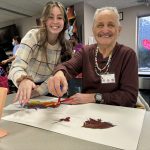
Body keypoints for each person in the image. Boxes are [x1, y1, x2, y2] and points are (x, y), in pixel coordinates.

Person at [48, 7, 138, 107]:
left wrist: (93, 97)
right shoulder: (85, 52)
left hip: (117, 113)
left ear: (119, 30)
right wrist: (59, 73)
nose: (105, 30)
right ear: (93, 30)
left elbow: (129, 97)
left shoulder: (128, 55)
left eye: (111, 25)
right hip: (87, 113)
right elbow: (67, 67)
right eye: (100, 25)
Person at [8, 1, 72, 104]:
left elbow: (55, 74)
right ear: (45, 20)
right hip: (26, 84)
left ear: (64, 22)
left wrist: (39, 91)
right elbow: (16, 67)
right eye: (51, 17)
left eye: (59, 17)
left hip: (47, 88)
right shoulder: (33, 36)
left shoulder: (65, 46)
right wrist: (24, 80)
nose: (55, 21)